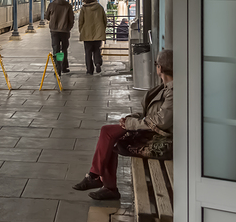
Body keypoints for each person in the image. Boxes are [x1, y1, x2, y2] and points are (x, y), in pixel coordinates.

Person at [72, 49, 174, 200]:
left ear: (161, 68)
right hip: (150, 130)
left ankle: (100, 181)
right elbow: (151, 114)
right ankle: (101, 182)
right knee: (108, 135)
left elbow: (162, 121)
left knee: (108, 135)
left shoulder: (172, 91)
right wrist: (130, 118)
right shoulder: (164, 87)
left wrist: (131, 123)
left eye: (156, 64)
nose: (156, 67)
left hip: (160, 138)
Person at [45, 0, 74, 74]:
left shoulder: (52, 5)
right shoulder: (68, 6)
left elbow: (47, 17)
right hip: (65, 31)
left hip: (54, 30)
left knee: (56, 49)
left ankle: (57, 68)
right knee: (64, 49)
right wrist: (69, 27)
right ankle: (64, 67)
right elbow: (71, 19)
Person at [78, 0, 107, 74]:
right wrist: (102, 30)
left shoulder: (83, 9)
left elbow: (81, 21)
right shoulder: (99, 7)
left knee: (88, 52)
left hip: (87, 33)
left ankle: (89, 70)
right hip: (98, 33)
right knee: (97, 50)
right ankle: (97, 63)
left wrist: (82, 31)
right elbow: (105, 20)